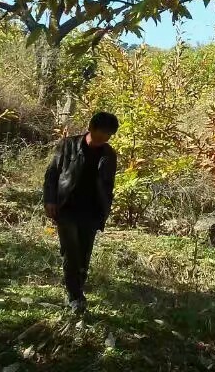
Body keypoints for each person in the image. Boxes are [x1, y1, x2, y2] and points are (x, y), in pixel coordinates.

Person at [43, 112, 120, 314]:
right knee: (71, 250)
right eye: (100, 134)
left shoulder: (109, 155)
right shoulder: (68, 145)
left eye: (108, 136)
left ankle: (78, 289)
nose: (103, 139)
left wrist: (105, 209)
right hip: (67, 206)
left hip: (92, 210)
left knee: (84, 252)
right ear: (91, 128)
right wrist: (50, 199)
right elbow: (52, 173)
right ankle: (75, 296)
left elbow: (108, 185)